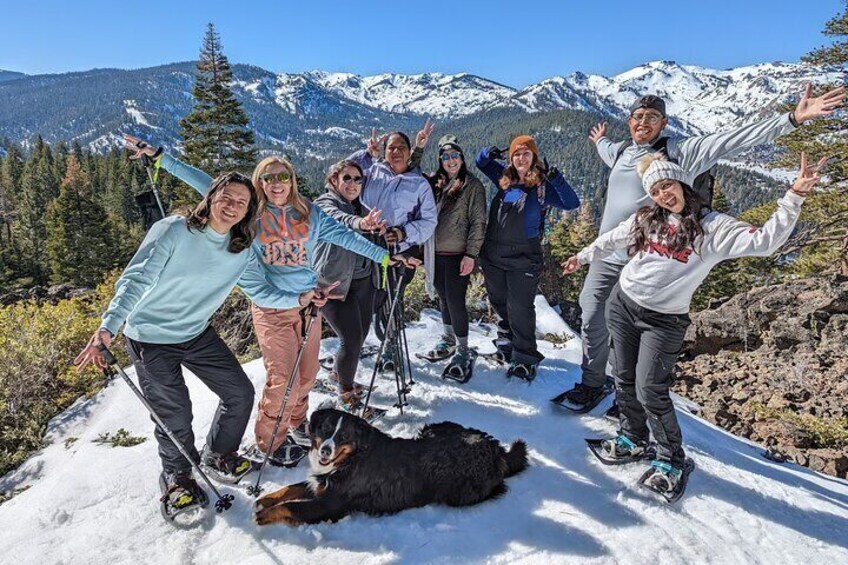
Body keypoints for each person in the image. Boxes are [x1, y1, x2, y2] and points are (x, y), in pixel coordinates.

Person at [560, 85, 847, 411]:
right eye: (638, 117)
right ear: (629, 122)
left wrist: (793, 118)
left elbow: (734, 138)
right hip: (608, 253)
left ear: (664, 123)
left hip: (650, 257)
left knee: (636, 330)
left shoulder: (683, 152)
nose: (643, 122)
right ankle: (592, 382)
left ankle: (632, 400)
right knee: (592, 313)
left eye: (652, 118)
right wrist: (599, 140)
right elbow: (607, 151)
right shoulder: (623, 151)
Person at [561, 152, 825, 494]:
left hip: (664, 320)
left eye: (667, 185)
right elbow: (612, 238)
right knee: (624, 378)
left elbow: (765, 242)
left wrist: (795, 195)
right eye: (655, 190)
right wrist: (582, 257)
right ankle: (633, 437)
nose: (663, 195)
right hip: (623, 304)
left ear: (682, 183)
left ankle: (671, 458)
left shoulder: (712, 227)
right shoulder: (646, 218)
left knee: (650, 388)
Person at [124, 135, 391, 467]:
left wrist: (383, 257)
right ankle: (269, 441)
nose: (276, 183)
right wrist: (162, 158)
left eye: (283, 176)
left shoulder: (308, 212)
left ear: (292, 181)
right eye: (268, 177)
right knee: (284, 381)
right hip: (272, 309)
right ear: (259, 183)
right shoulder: (251, 213)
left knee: (306, 377)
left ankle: (296, 424)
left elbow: (345, 236)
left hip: (309, 307)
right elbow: (207, 185)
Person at [74, 171, 301, 511]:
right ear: (210, 197)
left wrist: (301, 299)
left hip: (195, 332)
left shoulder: (241, 249)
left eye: (242, 202)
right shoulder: (174, 230)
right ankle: (177, 478)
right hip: (150, 337)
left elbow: (261, 290)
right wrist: (109, 326)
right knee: (174, 413)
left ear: (249, 210)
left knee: (239, 392)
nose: (232, 207)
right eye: (226, 198)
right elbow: (136, 279)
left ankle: (219, 455)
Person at [476, 135, 580, 379]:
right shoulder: (504, 179)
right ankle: (506, 347)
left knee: (520, 307)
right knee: (499, 302)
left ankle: (525, 357)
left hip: (524, 255)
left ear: (534, 157)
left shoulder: (542, 186)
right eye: (516, 154)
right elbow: (481, 163)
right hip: (493, 254)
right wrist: (488, 152)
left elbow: (571, 203)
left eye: (526, 153)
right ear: (510, 158)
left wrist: (558, 179)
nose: (521, 158)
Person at [348, 123, 438, 370]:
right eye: (391, 148)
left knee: (391, 299)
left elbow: (429, 220)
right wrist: (367, 154)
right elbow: (341, 176)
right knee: (363, 298)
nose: (396, 152)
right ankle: (355, 342)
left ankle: (390, 345)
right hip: (364, 248)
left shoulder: (419, 184)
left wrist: (402, 233)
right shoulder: (372, 172)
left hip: (398, 252)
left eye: (401, 148)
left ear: (410, 152)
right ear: (384, 151)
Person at [312, 158, 391, 412]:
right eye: (347, 178)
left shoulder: (360, 206)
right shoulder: (325, 204)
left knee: (360, 334)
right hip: (332, 284)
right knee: (352, 338)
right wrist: (361, 223)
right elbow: (339, 221)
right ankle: (346, 397)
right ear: (333, 181)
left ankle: (338, 376)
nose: (353, 184)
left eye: (358, 179)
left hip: (363, 281)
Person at [419, 134, 487, 378]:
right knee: (444, 298)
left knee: (456, 300)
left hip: (459, 254)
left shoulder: (472, 186)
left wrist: (471, 254)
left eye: (455, 156)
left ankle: (463, 347)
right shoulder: (434, 183)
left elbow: (478, 222)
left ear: (462, 158)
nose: (451, 160)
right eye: (446, 157)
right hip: (435, 253)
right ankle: (448, 337)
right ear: (440, 160)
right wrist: (418, 147)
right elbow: (410, 173)